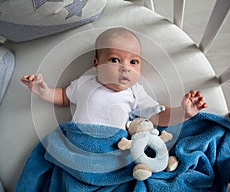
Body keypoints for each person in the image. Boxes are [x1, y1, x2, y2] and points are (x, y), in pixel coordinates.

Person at [21, 27, 208, 129]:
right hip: (77, 142)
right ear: (96, 63)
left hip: (112, 149)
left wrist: (183, 111)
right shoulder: (84, 83)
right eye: (115, 60)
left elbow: (157, 115)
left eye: (134, 62)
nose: (125, 67)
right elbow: (62, 97)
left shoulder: (135, 92)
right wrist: (42, 91)